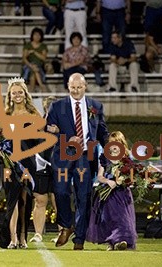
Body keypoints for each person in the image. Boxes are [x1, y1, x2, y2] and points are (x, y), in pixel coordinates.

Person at [46, 73, 109, 250]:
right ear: (68, 86)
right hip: (63, 156)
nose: (75, 90)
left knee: (84, 197)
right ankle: (66, 225)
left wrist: (111, 150)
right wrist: (66, 138)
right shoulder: (57, 106)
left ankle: (79, 239)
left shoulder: (96, 106)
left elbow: (102, 131)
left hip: (85, 157)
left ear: (85, 86)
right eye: (73, 87)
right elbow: (48, 130)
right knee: (61, 192)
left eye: (79, 87)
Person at [0, 77, 40, 249]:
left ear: (25, 94)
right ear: (10, 95)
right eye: (14, 93)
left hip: (27, 161)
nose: (17, 95)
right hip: (7, 162)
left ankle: (23, 237)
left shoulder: (33, 114)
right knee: (12, 200)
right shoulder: (3, 115)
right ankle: (12, 238)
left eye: (20, 92)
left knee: (25, 199)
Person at [86, 131, 137, 250]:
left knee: (123, 218)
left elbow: (132, 176)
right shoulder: (105, 158)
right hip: (108, 194)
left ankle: (121, 240)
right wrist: (108, 181)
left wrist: (124, 180)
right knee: (109, 218)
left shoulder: (126, 159)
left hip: (122, 194)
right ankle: (112, 242)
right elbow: (100, 176)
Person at [29, 95, 58, 243]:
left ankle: (61, 232)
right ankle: (38, 233)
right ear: (45, 108)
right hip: (41, 164)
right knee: (40, 199)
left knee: (57, 198)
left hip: (59, 165)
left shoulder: (65, 123)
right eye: (49, 107)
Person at [22, 27, 48, 93]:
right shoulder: (28, 45)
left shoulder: (43, 46)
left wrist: (35, 52)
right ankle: (42, 86)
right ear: (32, 35)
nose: (37, 37)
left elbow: (44, 58)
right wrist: (30, 65)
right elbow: (24, 58)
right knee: (34, 70)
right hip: (28, 65)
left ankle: (31, 91)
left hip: (39, 66)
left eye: (39, 35)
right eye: (35, 35)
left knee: (34, 72)